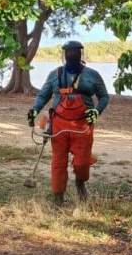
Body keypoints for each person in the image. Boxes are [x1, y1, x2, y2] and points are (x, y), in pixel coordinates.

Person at [27, 40, 109, 205]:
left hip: (83, 126)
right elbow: (43, 95)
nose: (72, 54)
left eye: (75, 51)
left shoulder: (92, 75)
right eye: (69, 51)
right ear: (64, 54)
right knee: (58, 162)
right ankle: (58, 197)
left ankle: (80, 182)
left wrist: (97, 110)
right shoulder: (54, 74)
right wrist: (35, 109)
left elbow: (104, 96)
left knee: (82, 162)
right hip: (59, 126)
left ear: (81, 53)